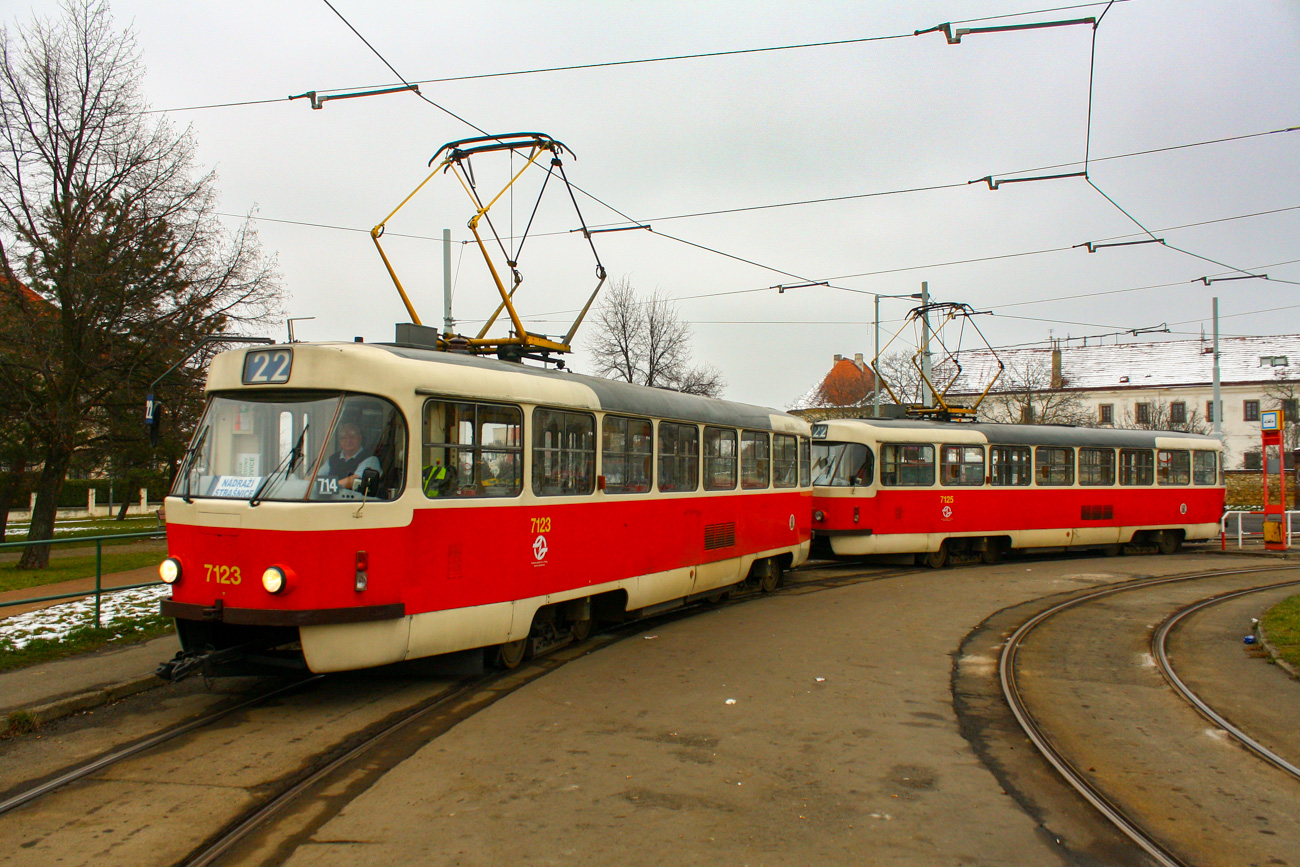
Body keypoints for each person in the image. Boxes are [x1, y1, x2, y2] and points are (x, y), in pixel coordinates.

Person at [320, 422, 380, 492]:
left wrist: (325, 487)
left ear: (359, 438)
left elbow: (355, 480)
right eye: (343, 438)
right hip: (331, 501)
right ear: (339, 441)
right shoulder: (333, 458)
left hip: (357, 502)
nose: (348, 441)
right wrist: (307, 483)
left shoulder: (371, 459)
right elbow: (316, 477)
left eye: (352, 437)